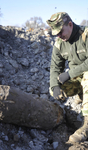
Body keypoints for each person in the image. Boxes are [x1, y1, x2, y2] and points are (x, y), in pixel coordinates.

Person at [46, 12, 88, 143]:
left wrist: (69, 74)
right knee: (54, 89)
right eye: (56, 34)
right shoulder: (59, 43)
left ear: (70, 24)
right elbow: (55, 67)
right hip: (77, 78)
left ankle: (86, 126)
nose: (59, 36)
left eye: (60, 32)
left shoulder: (85, 35)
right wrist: (55, 86)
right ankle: (80, 98)